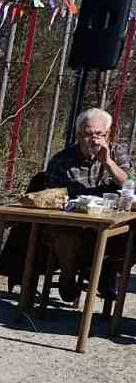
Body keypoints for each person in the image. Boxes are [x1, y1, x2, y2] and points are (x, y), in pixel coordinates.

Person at [34, 108, 130, 302]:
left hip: (107, 224)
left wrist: (108, 162)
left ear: (107, 134)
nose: (94, 139)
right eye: (88, 134)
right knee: (66, 236)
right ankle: (69, 278)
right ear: (78, 135)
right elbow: (51, 197)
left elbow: (130, 184)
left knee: (130, 235)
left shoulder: (115, 152)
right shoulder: (62, 160)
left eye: (99, 134)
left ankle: (106, 272)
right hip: (71, 221)